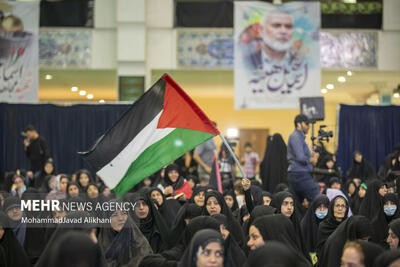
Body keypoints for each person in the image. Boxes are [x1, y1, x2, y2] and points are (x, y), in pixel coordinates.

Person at [98, 200, 152, 267]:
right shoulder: (100, 245)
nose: (120, 218)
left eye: (124, 213)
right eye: (115, 215)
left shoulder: (139, 243)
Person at [287, 114, 319, 203]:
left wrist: (312, 155)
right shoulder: (295, 137)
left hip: (298, 174)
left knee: (299, 206)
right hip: (299, 174)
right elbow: (300, 157)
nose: (309, 126)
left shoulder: (299, 137)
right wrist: (312, 159)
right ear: (299, 124)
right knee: (318, 200)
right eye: (307, 124)